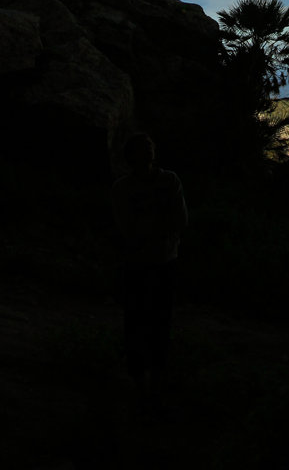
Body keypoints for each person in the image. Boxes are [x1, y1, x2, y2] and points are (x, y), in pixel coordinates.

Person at [111, 132, 188, 401]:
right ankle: (151, 376)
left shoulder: (124, 188)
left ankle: (144, 377)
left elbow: (125, 227)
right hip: (161, 260)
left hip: (142, 261)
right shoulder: (169, 182)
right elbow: (179, 220)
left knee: (140, 319)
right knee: (155, 319)